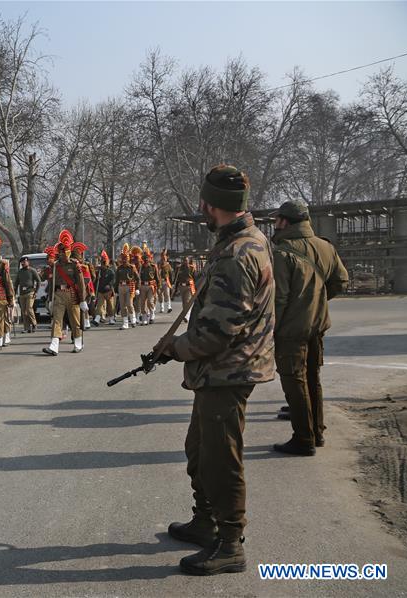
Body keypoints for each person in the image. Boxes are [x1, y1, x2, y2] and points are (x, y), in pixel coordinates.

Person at [154, 164, 275, 576]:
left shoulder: (238, 253)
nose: (200, 208)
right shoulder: (238, 242)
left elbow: (217, 332)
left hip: (229, 371)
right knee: (200, 451)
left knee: (221, 459)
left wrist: (174, 348)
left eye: (203, 202)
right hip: (219, 372)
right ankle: (205, 522)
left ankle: (230, 544)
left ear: (212, 204)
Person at [271, 200, 349, 455]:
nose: (274, 224)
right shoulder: (325, 247)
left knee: (294, 381)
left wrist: (270, 331)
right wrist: (317, 301)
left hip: (292, 331)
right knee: (313, 378)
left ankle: (303, 438)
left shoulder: (282, 252)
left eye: (277, 219)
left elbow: (279, 299)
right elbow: (340, 281)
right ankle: (317, 431)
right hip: (317, 325)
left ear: (285, 222)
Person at [43, 230, 87, 356]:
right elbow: (52, 283)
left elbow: (80, 283)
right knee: (57, 320)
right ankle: (54, 345)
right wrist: (51, 299)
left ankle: (77, 343)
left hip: (72, 294)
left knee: (75, 321)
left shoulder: (75, 264)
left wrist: (83, 300)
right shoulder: (55, 265)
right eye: (62, 251)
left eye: (66, 251)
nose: (64, 254)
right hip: (58, 294)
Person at [115, 245, 139, 329]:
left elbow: (137, 278)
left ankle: (133, 320)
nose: (124, 260)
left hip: (130, 286)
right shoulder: (119, 268)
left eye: (126, 258)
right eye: (123, 258)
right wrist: (116, 290)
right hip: (121, 286)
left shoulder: (132, 267)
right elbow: (117, 279)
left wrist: (137, 289)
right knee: (122, 306)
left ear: (128, 258)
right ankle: (125, 323)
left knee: (129, 304)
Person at [15, 256, 41, 333]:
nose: (23, 263)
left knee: (29, 308)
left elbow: (38, 281)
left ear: (28, 262)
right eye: (22, 262)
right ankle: (27, 328)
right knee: (24, 311)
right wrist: (14, 293)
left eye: (25, 261)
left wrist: (36, 292)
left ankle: (34, 324)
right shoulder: (20, 272)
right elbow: (16, 283)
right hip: (22, 294)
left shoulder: (32, 270)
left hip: (30, 292)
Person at [93, 251, 117, 326]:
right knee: (99, 305)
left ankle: (111, 319)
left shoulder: (110, 272)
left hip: (108, 291)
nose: (103, 264)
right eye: (102, 262)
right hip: (100, 291)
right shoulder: (98, 271)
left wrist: (109, 285)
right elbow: (95, 280)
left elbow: (113, 280)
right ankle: (97, 319)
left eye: (104, 262)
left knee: (110, 306)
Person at [137, 246, 159, 325]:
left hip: (151, 286)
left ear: (150, 259)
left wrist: (158, 287)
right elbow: (138, 277)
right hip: (142, 286)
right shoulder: (140, 267)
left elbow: (157, 277)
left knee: (150, 301)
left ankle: (152, 314)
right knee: (142, 303)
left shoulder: (153, 267)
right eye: (144, 258)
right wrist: (137, 288)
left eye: (147, 258)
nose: (146, 260)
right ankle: (144, 318)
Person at [174, 257, 197, 322]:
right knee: (184, 302)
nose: (185, 262)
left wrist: (196, 287)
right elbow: (176, 279)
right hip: (181, 287)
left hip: (189, 286)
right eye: (184, 260)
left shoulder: (192, 268)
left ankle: (187, 315)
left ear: (188, 261)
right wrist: (175, 289)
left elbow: (195, 278)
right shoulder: (179, 268)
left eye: (186, 260)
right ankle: (186, 314)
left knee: (187, 301)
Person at [158, 249, 174, 314]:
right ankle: (162, 308)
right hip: (160, 282)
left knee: (167, 294)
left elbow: (170, 274)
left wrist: (172, 283)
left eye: (165, 256)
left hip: (166, 281)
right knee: (160, 295)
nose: (164, 257)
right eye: (162, 256)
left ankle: (169, 307)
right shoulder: (158, 264)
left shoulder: (168, 265)